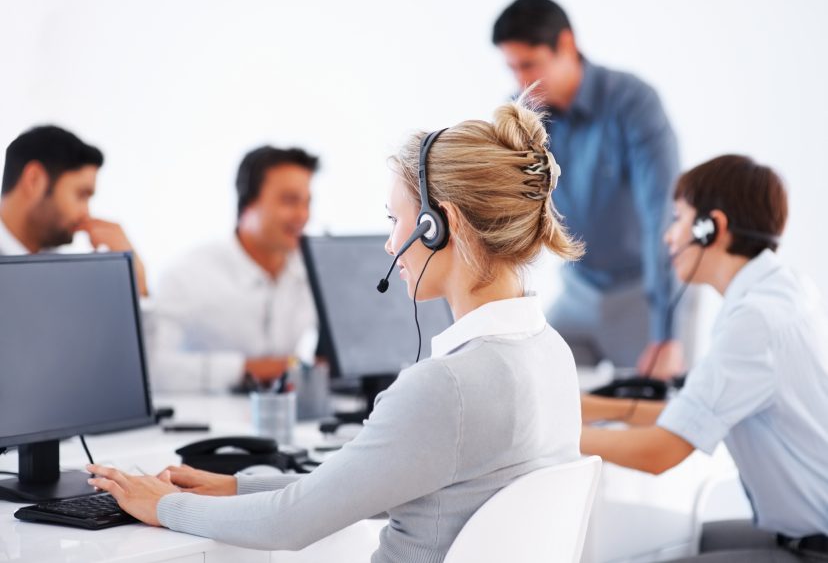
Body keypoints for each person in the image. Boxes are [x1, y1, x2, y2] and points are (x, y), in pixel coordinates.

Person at [87, 94, 585, 561]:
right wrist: (235, 487)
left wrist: (161, 506)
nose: (391, 245)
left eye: (396, 219)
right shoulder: (551, 353)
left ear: (439, 224)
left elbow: (289, 524)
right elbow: (368, 483)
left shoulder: (445, 387)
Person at [580, 155, 828, 561]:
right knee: (686, 543)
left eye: (678, 218)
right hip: (805, 531)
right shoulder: (783, 290)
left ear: (711, 228)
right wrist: (586, 407)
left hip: (813, 545)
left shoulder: (755, 321)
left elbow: (659, 452)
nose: (668, 236)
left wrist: (552, 436)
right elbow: (689, 409)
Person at [493, 0, 684, 378]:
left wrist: (666, 332)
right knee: (536, 384)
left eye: (529, 65)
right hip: (579, 289)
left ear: (566, 44)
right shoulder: (521, 112)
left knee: (651, 417)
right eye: (512, 68)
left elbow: (660, 217)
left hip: (643, 293)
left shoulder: (633, 102)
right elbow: (506, 214)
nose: (520, 81)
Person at [150, 146, 318, 392]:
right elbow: (154, 369)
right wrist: (245, 369)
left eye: (307, 202)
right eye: (290, 201)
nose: (303, 215)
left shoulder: (308, 271)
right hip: (210, 423)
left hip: (290, 420)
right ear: (247, 203)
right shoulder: (187, 274)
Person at [0, 125, 148, 295]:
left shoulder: (64, 278)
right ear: (34, 180)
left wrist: (136, 282)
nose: (86, 213)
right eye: (81, 195)